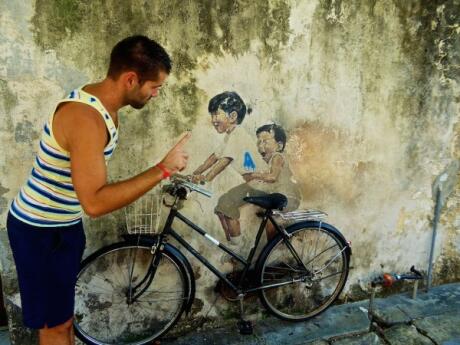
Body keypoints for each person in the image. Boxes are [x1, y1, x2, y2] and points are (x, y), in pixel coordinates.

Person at [6, 35, 190, 345]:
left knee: (63, 323)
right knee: (55, 327)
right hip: (38, 232)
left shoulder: (102, 104)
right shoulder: (85, 119)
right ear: (131, 79)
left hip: (65, 226)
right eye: (155, 87)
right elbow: (94, 202)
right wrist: (163, 169)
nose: (156, 94)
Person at [191, 91, 264, 241]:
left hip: (261, 184)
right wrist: (194, 173)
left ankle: (237, 246)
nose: (213, 120)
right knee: (221, 208)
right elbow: (213, 158)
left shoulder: (238, 135)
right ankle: (230, 242)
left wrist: (205, 178)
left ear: (232, 116)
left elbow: (223, 162)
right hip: (253, 183)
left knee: (226, 205)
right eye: (212, 115)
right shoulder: (230, 135)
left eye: (216, 114)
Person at [215, 123, 300, 248]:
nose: (261, 146)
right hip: (276, 195)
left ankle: (275, 251)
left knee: (271, 223)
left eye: (265, 141)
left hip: (288, 197)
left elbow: (272, 177)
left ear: (279, 145)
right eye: (259, 142)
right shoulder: (265, 160)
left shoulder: (277, 156)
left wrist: (254, 175)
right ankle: (271, 250)